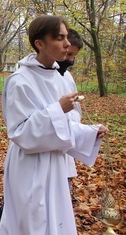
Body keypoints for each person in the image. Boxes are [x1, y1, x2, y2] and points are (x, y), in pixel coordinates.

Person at [0, 15, 109, 235]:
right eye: (59, 38)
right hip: (30, 165)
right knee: (32, 221)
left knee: (55, 221)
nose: (67, 44)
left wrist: (90, 132)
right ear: (40, 43)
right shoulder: (19, 80)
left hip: (56, 164)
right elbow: (20, 133)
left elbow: (68, 123)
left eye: (66, 37)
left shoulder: (63, 79)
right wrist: (57, 109)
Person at [56, 28, 84, 193]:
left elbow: (76, 111)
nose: (71, 60)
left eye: (74, 56)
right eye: (69, 55)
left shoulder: (67, 77)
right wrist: (59, 110)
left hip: (64, 146)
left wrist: (87, 131)